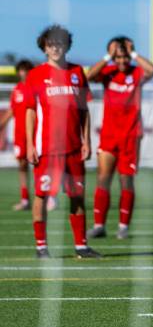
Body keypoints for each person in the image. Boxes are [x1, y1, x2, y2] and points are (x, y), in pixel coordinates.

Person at [24, 25, 101, 259]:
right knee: (42, 194)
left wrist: (86, 140)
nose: (55, 48)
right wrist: (29, 144)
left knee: (77, 196)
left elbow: (84, 109)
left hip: (74, 148)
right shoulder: (36, 75)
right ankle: (41, 247)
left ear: (67, 45)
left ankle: (81, 246)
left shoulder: (77, 72)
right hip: (47, 148)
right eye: (50, 44)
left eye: (59, 43)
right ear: (44, 48)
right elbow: (30, 111)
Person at [87, 36, 153, 240]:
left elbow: (152, 70)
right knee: (103, 179)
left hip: (130, 136)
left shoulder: (137, 73)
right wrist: (108, 56)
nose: (121, 61)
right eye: (117, 57)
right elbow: (90, 75)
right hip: (109, 136)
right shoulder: (108, 73)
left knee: (126, 181)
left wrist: (133, 53)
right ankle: (99, 225)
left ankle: (123, 226)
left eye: (124, 57)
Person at [0, 60, 34, 210]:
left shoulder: (37, 88)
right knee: (22, 165)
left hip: (35, 132)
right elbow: (12, 110)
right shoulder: (17, 90)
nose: (24, 73)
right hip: (20, 134)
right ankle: (25, 199)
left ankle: (50, 197)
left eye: (26, 70)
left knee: (42, 165)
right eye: (21, 70)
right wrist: (1, 124)